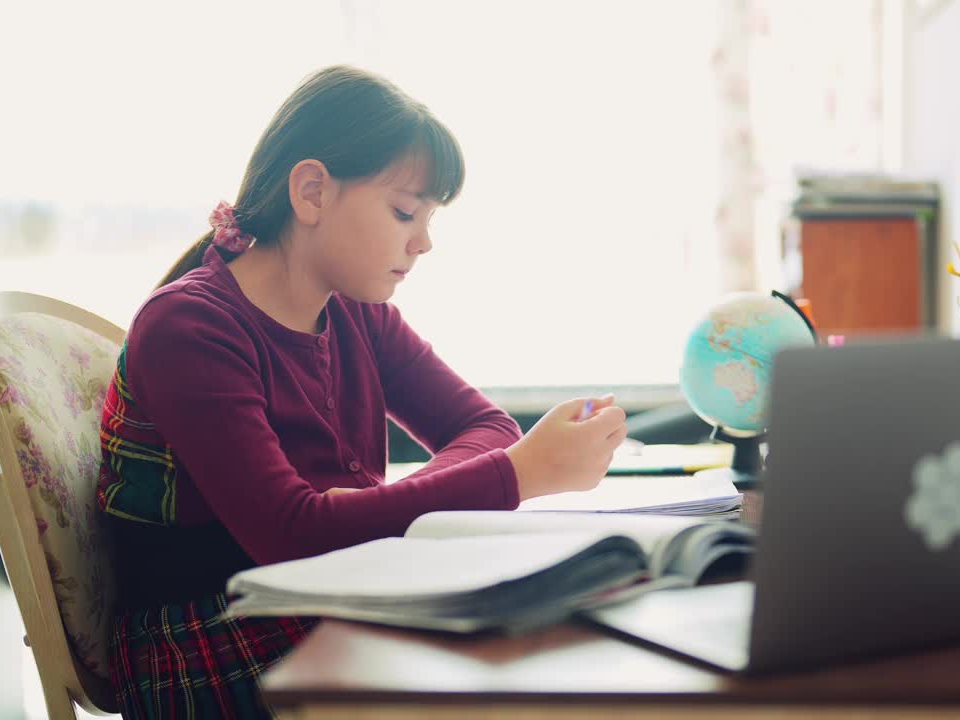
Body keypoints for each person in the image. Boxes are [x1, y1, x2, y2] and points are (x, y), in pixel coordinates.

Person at [96, 64, 627, 719]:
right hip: (203, 637)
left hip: (323, 590)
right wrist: (511, 478)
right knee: (513, 661)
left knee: (564, 617)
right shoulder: (190, 326)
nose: (424, 241)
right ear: (312, 192)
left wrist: (376, 512)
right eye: (405, 211)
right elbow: (292, 534)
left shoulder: (356, 313)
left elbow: (487, 427)